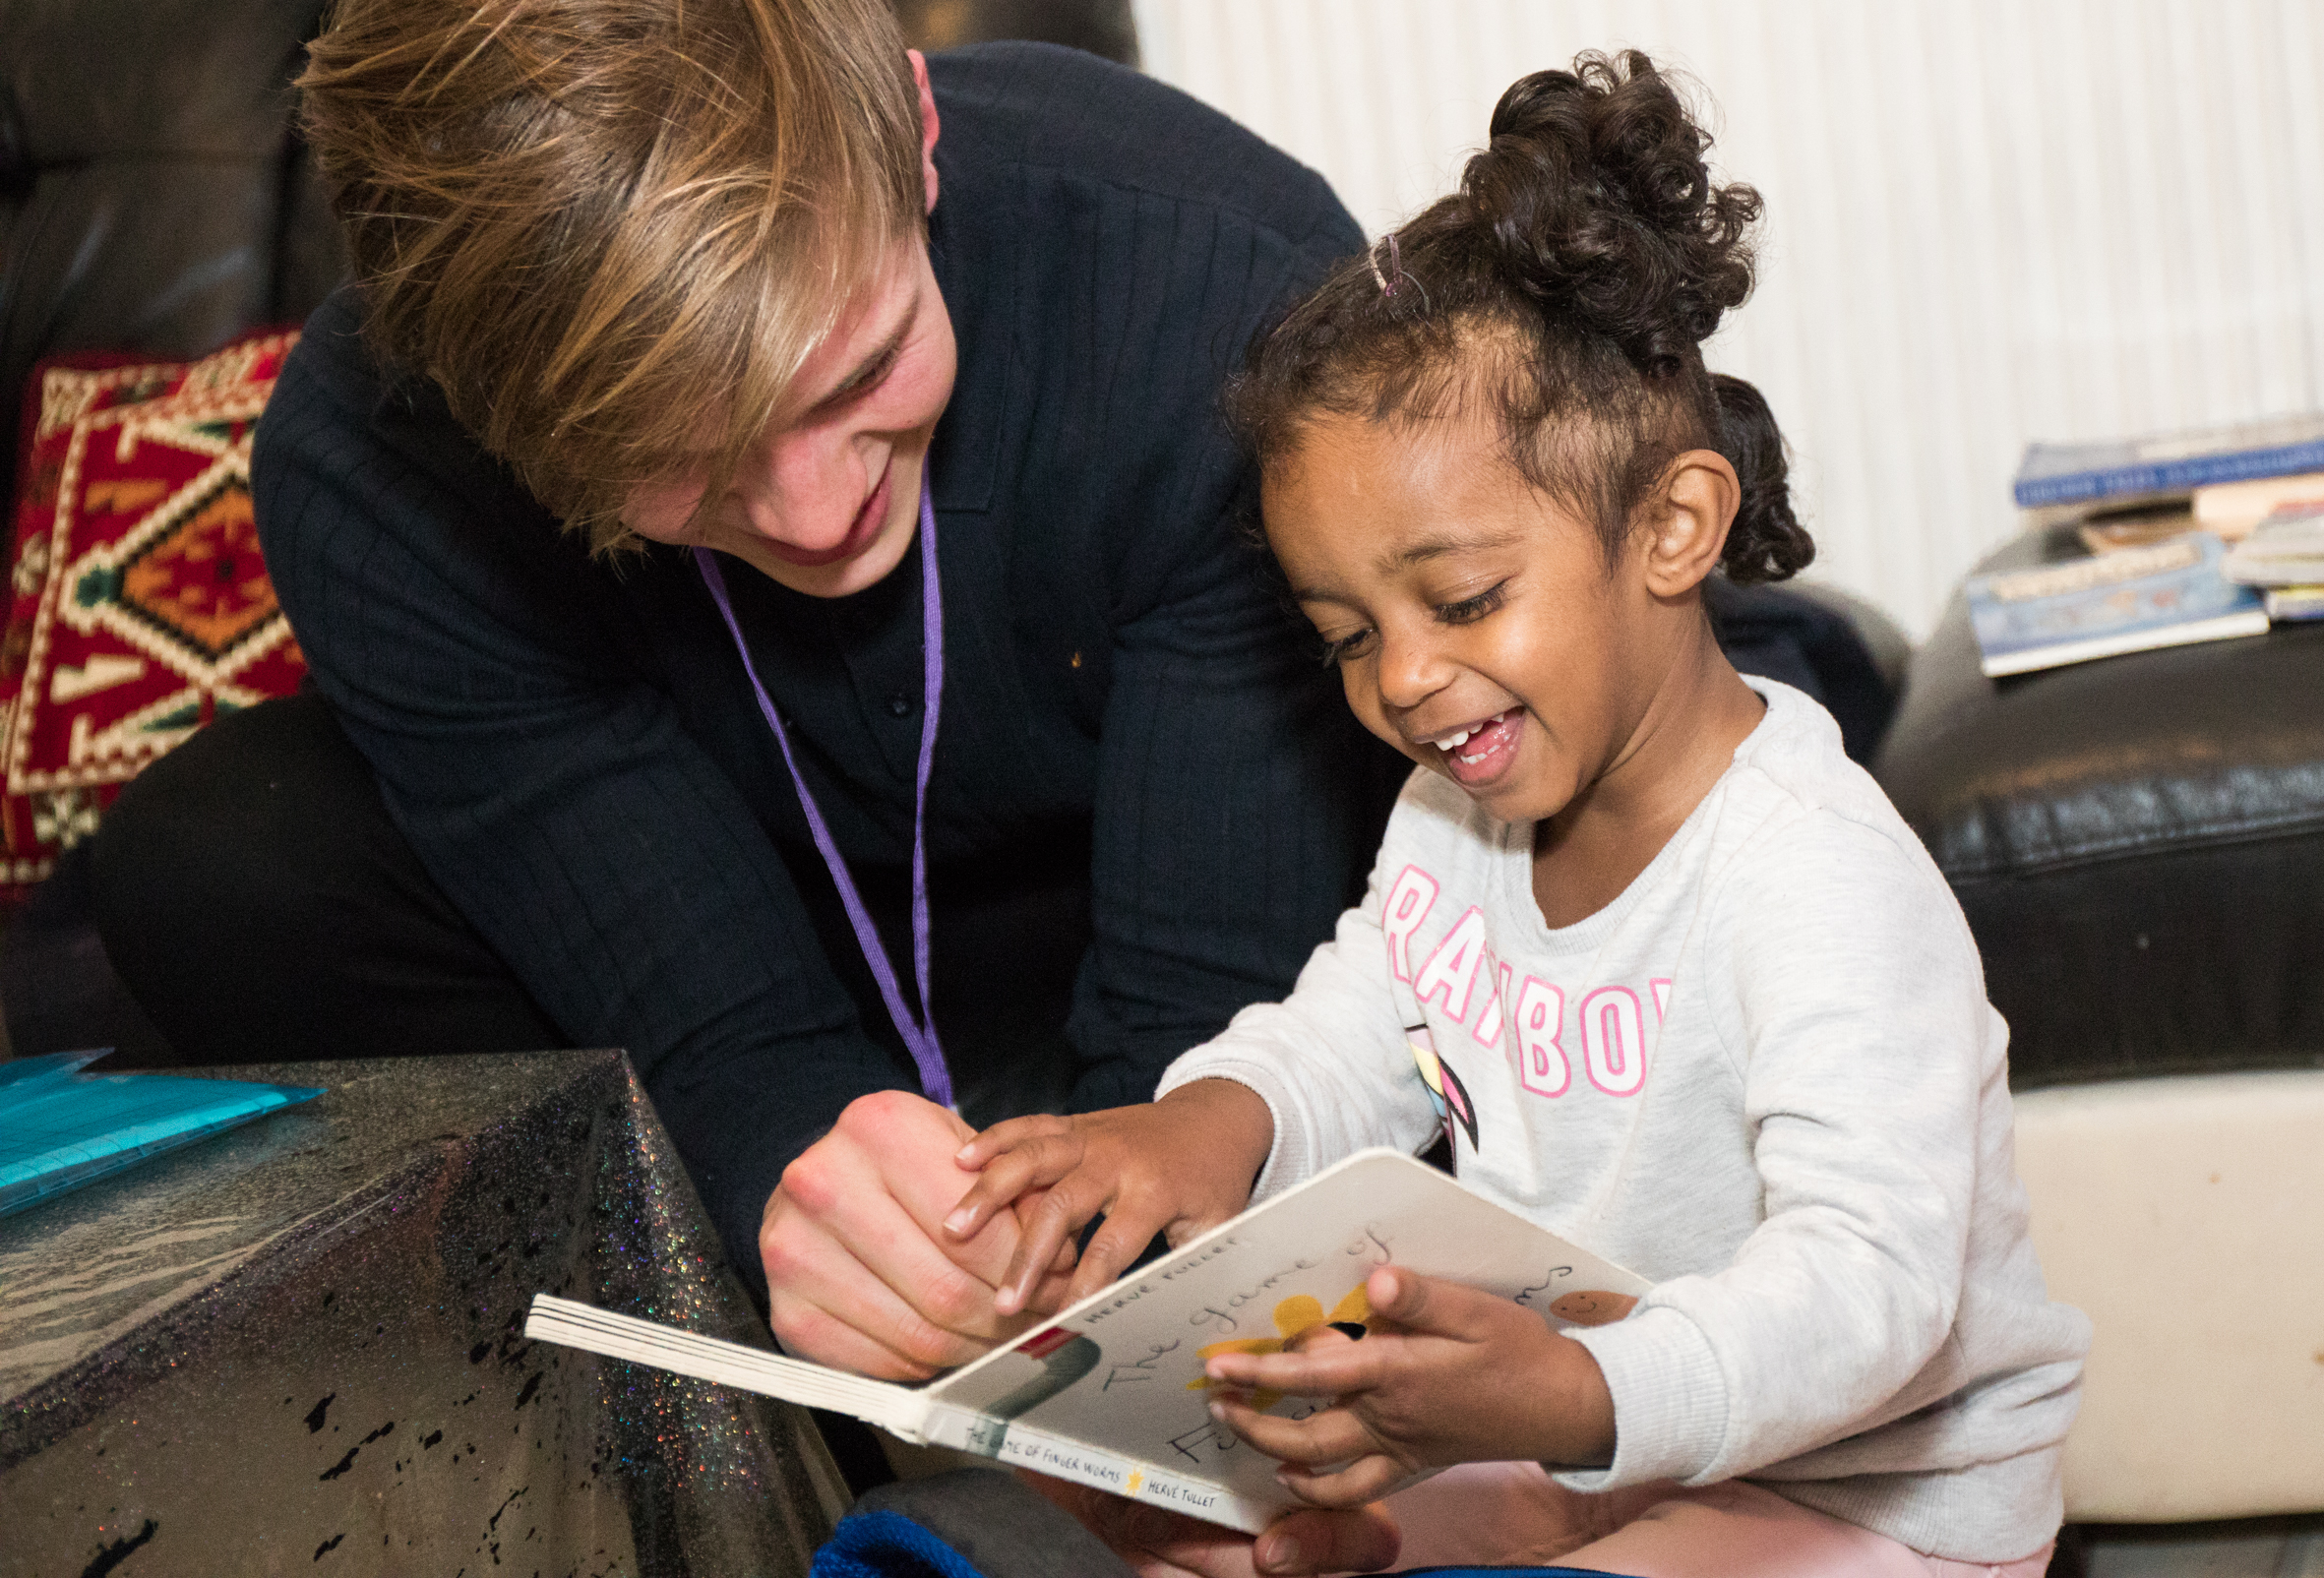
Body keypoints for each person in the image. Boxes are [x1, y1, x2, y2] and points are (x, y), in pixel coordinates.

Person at [92, 0, 1405, 1409]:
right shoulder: (378, 461)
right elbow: (720, 1030)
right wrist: (781, 1168)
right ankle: (689, 1412)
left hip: (1136, 907)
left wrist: (1099, 1293)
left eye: (857, 373)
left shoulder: (1215, 287)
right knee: (220, 854)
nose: (822, 511)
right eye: (686, 462)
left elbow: (1197, 1025)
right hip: (729, 910)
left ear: (914, 133)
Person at [941, 53, 2092, 1577]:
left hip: (1863, 1490)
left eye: (1463, 600)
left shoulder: (1813, 876)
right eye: (1344, 636)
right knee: (1207, 1531)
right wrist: (1194, 1130)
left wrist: (1563, 1392)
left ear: (1671, 526)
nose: (1404, 679)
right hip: (1577, 1440)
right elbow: (1353, 1032)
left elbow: (1870, 1290)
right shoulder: (1452, 810)